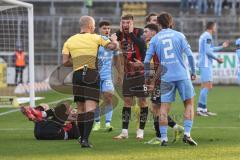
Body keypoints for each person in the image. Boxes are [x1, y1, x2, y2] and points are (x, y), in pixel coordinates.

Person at [62, 16, 118, 148]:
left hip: (77, 75)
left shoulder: (70, 40)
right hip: (91, 74)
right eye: (93, 26)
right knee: (90, 109)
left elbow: (65, 62)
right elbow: (112, 47)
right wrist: (114, 41)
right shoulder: (95, 38)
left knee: (80, 108)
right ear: (91, 26)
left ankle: (81, 137)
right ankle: (85, 140)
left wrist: (78, 62)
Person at [144, 12, 197, 146]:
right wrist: (193, 71)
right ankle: (187, 134)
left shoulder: (155, 39)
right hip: (182, 74)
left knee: (164, 108)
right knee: (189, 104)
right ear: (171, 22)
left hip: (166, 77)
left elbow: (146, 60)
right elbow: (190, 55)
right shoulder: (179, 35)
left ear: (159, 24)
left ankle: (163, 139)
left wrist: (147, 78)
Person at [143, 24, 184, 145]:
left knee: (156, 108)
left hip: (161, 80)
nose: (144, 34)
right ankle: (172, 129)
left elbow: (161, 64)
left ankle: (162, 135)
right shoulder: (153, 44)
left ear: (153, 33)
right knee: (156, 107)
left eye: (146, 31)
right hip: (159, 79)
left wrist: (152, 80)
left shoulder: (156, 44)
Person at [113, 14, 148, 140]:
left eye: (128, 22)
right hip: (128, 73)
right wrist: (113, 41)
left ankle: (140, 131)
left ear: (132, 23)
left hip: (140, 73)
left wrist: (132, 34)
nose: (125, 25)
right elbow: (112, 47)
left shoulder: (140, 32)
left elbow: (142, 46)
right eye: (123, 22)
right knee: (127, 101)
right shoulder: (118, 34)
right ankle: (124, 132)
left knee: (143, 101)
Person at [197, 22, 229, 116]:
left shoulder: (205, 35)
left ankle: (203, 109)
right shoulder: (208, 36)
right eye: (215, 26)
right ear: (211, 27)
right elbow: (207, 51)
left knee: (207, 86)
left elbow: (210, 49)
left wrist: (222, 47)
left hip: (205, 63)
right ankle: (200, 110)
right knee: (207, 86)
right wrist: (217, 59)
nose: (216, 28)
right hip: (205, 64)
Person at [92, 20, 120, 132]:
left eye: (108, 28)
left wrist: (119, 74)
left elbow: (117, 58)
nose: (107, 30)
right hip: (95, 76)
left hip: (107, 76)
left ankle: (108, 124)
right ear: (99, 29)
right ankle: (97, 123)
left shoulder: (112, 43)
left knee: (108, 98)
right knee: (95, 100)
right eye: (104, 28)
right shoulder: (95, 41)